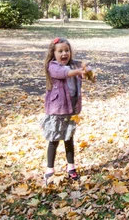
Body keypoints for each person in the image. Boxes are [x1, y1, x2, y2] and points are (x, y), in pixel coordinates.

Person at [41, 37, 93, 185]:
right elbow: (64, 74)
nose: (64, 53)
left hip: (71, 108)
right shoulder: (53, 66)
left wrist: (86, 70)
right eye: (60, 51)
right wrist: (78, 71)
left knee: (69, 138)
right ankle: (49, 170)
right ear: (53, 53)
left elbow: (86, 68)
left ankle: (71, 168)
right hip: (57, 109)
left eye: (67, 50)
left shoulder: (74, 64)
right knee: (54, 140)